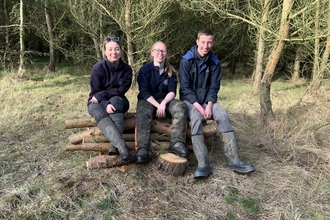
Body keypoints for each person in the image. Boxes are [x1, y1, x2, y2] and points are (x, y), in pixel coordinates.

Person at [179, 28, 255, 179]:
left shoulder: (215, 62)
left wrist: (209, 104)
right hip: (190, 101)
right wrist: (200, 108)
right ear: (197, 42)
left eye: (209, 43)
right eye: (203, 42)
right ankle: (203, 164)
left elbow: (214, 87)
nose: (206, 46)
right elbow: (185, 89)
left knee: (222, 114)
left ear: (212, 43)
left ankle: (233, 159)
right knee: (195, 118)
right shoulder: (186, 61)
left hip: (208, 101)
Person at [135, 41, 190, 163]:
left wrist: (164, 103)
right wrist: (158, 105)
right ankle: (143, 149)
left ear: (166, 53)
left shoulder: (171, 72)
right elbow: (144, 92)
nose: (160, 53)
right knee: (142, 110)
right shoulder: (144, 70)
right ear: (152, 53)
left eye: (163, 51)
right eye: (157, 50)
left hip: (165, 100)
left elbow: (172, 91)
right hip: (148, 100)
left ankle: (176, 143)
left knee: (180, 106)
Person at [87, 37, 132, 162]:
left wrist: (105, 99)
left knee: (116, 101)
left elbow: (121, 90)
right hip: (96, 101)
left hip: (118, 100)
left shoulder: (127, 69)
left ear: (121, 51)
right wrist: (105, 103)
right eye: (110, 49)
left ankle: (114, 145)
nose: (114, 52)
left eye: (117, 49)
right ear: (105, 52)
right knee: (97, 110)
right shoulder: (98, 68)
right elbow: (95, 92)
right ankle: (121, 146)